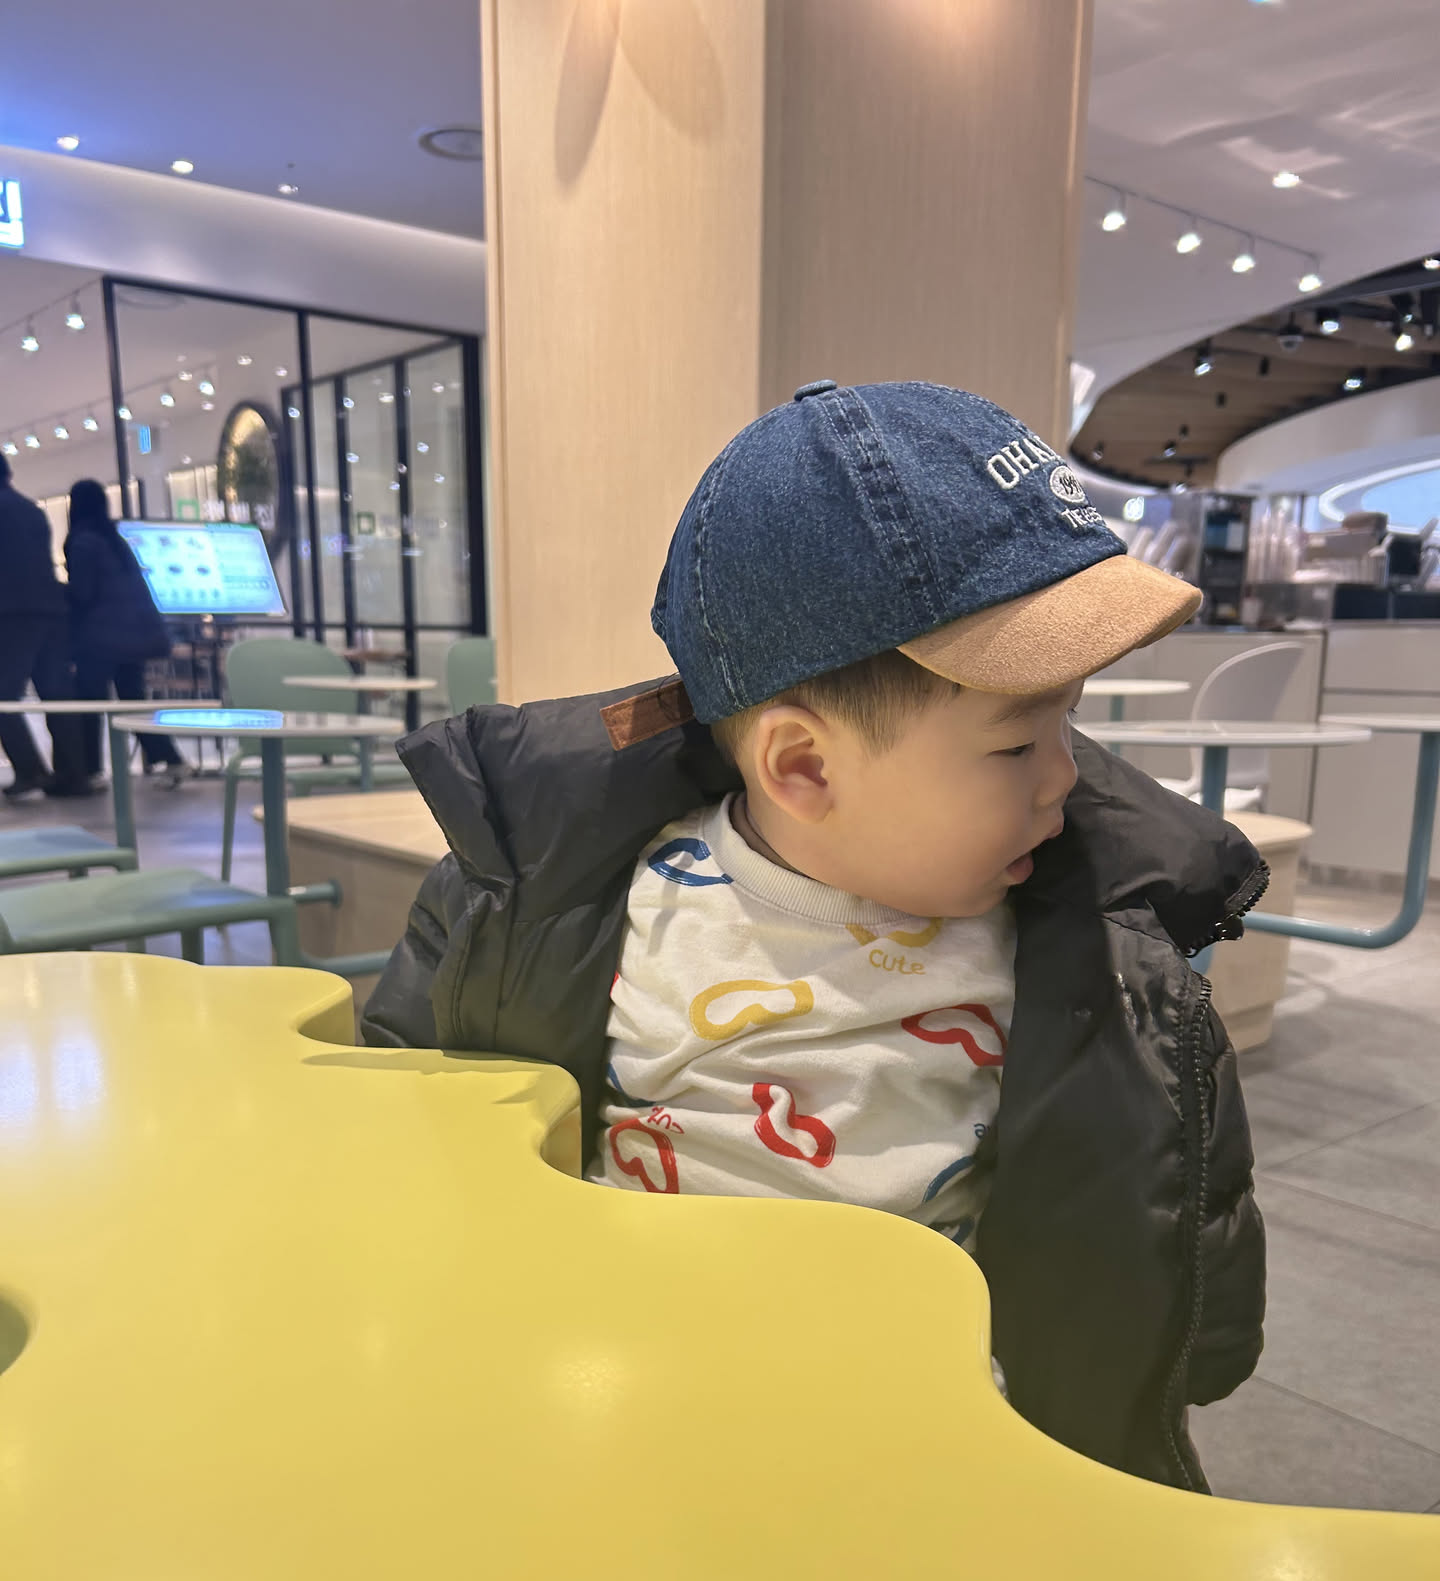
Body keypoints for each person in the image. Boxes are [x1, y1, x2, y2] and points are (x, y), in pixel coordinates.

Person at [363, 381, 1267, 1492]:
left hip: (940, 1461)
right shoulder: (567, 907)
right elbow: (418, 1137)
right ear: (803, 768)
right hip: (627, 1434)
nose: (1065, 778)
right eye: (1015, 745)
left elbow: (1166, 1212)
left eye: (1068, 722)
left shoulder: (1089, 943)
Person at [65, 479, 188, 789]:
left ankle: (91, 771)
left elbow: (82, 593)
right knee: (133, 703)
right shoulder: (114, 539)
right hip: (133, 637)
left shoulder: (81, 542)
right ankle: (171, 759)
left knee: (90, 705)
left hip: (100, 639)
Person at [0, 452, 88, 799]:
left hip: (12, 612)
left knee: (3, 694)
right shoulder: (31, 509)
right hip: (50, 608)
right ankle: (73, 774)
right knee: (57, 692)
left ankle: (30, 769)